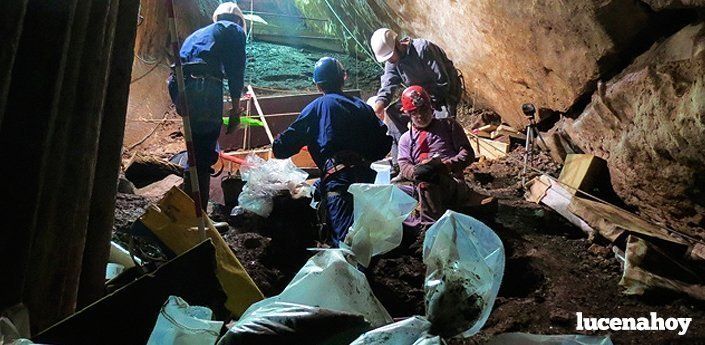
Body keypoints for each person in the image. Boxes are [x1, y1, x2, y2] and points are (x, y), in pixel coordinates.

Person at [272, 57, 392, 247]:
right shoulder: (362, 106)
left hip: (339, 180)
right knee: (320, 193)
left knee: (346, 243)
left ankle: (346, 269)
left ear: (318, 85)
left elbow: (282, 148)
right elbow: (385, 142)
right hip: (365, 178)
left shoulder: (316, 108)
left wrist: (277, 142)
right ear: (343, 79)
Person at [167, 2, 246, 207]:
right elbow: (235, 73)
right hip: (204, 89)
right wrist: (235, 111)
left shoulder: (198, 35)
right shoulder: (233, 30)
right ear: (239, 21)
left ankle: (191, 211)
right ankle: (196, 215)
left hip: (182, 88)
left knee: (197, 152)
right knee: (202, 156)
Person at [369, 28, 463, 171]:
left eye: (390, 56)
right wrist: (379, 106)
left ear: (397, 44)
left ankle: (445, 165)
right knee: (393, 114)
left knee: (441, 125)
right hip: (416, 97)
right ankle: (401, 163)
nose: (389, 60)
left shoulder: (423, 49)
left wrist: (423, 104)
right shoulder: (392, 62)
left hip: (442, 95)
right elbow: (387, 86)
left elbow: (443, 82)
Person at [394, 86, 486, 228]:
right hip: (418, 185)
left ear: (431, 108)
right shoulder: (405, 139)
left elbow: (467, 154)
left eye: (423, 110)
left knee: (429, 181)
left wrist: (445, 166)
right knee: (390, 192)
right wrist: (416, 172)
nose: (420, 116)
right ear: (408, 115)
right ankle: (405, 229)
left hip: (451, 183)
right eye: (415, 113)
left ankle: (429, 228)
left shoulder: (449, 125)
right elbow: (404, 163)